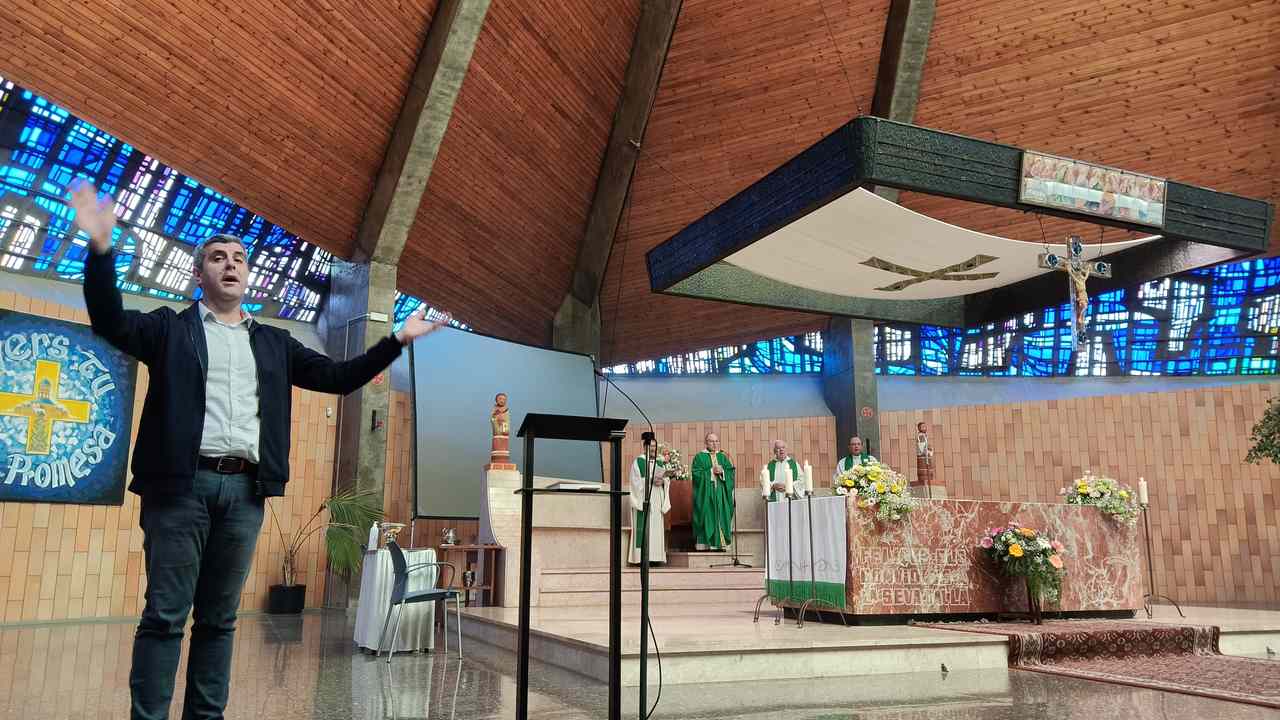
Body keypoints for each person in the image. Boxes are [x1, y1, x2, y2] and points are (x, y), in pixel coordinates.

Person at [69, 180, 448, 720]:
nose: (230, 264)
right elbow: (109, 321)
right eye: (217, 258)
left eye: (239, 259)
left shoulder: (273, 343)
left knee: (220, 620)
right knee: (165, 617)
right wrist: (101, 250)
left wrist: (397, 341)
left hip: (245, 493)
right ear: (198, 274)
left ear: (248, 275)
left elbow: (340, 378)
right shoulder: (169, 329)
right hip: (180, 489)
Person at [628, 432, 671, 564]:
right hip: (644, 499)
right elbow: (634, 482)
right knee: (645, 527)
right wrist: (650, 480)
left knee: (656, 528)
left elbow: (666, 479)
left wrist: (663, 482)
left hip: (657, 499)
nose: (653, 449)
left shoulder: (660, 462)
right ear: (645, 447)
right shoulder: (639, 461)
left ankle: (656, 558)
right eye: (651, 446)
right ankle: (642, 558)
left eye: (654, 446)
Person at [689, 432, 735, 551]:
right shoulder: (699, 457)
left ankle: (721, 543)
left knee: (722, 515)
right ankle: (706, 544)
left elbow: (730, 473)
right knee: (707, 516)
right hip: (706, 494)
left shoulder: (723, 457)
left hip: (721, 494)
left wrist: (723, 472)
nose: (714, 444)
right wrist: (711, 471)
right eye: (711, 441)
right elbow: (696, 474)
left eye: (716, 441)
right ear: (706, 443)